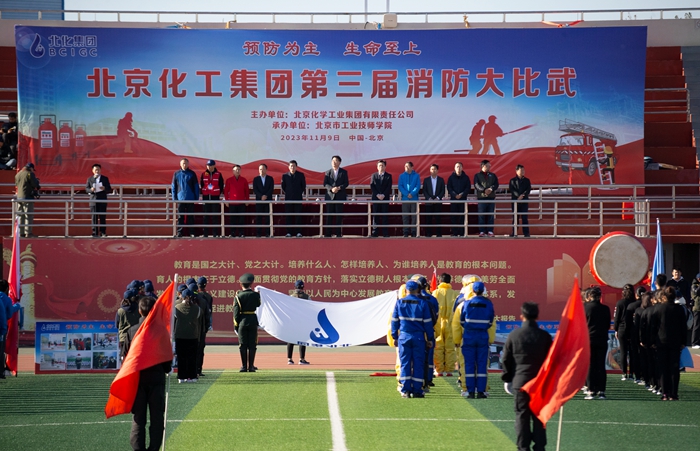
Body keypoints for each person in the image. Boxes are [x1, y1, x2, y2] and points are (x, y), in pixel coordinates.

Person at [501, 302, 553, 451]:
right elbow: (551, 360)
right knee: (539, 417)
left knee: (522, 417)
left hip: (520, 382)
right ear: (537, 316)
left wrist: (507, 378)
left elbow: (506, 360)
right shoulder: (544, 336)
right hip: (539, 383)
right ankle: (539, 447)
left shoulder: (514, 335)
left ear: (522, 316)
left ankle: (523, 447)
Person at [124, 295, 172, 451]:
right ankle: (154, 448)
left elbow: (126, 356)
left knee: (138, 418)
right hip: (156, 379)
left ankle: (138, 448)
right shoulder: (161, 331)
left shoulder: (131, 331)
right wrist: (167, 368)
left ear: (140, 311)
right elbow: (166, 357)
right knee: (157, 417)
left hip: (137, 380)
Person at [391, 280, 434, 398]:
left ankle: (405, 389)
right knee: (418, 364)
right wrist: (430, 338)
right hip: (418, 337)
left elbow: (394, 321)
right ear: (418, 290)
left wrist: (394, 336)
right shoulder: (423, 303)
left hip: (404, 336)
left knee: (405, 363)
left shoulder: (399, 303)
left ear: (406, 290)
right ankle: (417, 390)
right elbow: (428, 323)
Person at [458, 281, 495, 398]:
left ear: (473, 290)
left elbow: (462, 321)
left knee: (469, 364)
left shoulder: (467, 303)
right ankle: (481, 391)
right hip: (482, 336)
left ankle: (470, 391)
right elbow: (490, 321)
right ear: (483, 291)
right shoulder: (488, 303)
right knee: (482, 364)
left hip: (469, 336)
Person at [650, 286, 687, 400]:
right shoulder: (679, 309)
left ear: (664, 296)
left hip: (661, 341)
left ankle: (665, 392)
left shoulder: (658, 308)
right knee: (674, 368)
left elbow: (653, 326)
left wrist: (652, 340)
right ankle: (674, 393)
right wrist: (683, 341)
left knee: (663, 367)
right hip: (675, 341)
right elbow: (683, 327)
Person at [584, 286, 611, 400]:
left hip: (589, 339)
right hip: (602, 339)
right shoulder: (605, 309)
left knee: (590, 365)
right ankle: (601, 391)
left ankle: (591, 390)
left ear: (590, 296)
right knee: (600, 365)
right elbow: (607, 324)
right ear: (600, 297)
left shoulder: (585, 308)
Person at [234, 273, 261, 372]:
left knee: (243, 345)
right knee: (252, 345)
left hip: (242, 321)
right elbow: (258, 304)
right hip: (252, 321)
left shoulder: (238, 296)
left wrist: (236, 325)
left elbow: (236, 312)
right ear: (251, 284)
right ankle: (251, 366)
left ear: (241, 284)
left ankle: (244, 366)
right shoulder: (255, 295)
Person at [432, 273, 457, 376]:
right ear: (450, 281)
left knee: (438, 347)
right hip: (451, 323)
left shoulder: (435, 292)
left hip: (438, 322)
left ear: (440, 281)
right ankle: (449, 370)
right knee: (450, 347)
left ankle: (439, 370)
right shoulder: (455, 293)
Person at [174, 288, 201, 383]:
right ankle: (192, 376)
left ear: (182, 296)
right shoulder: (197, 308)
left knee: (181, 357)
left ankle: (181, 377)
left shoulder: (177, 308)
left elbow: (176, 318)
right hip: (192, 335)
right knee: (192, 357)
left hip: (180, 335)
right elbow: (197, 317)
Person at [171, 158, 199, 238]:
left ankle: (192, 232)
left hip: (190, 198)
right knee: (180, 217)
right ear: (180, 164)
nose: (184, 165)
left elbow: (196, 186)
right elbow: (173, 187)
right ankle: (179, 232)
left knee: (191, 216)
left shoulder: (192, 174)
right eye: (183, 163)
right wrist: (174, 198)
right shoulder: (176, 174)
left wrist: (196, 197)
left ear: (188, 164)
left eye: (186, 163)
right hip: (180, 199)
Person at [323, 155, 349, 237]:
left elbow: (346, 183)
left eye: (336, 161)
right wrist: (331, 188)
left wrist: (339, 188)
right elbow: (325, 183)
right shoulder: (328, 172)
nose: (334, 162)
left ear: (339, 162)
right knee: (329, 216)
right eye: (333, 161)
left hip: (339, 196)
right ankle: (328, 233)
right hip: (330, 197)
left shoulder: (343, 172)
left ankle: (338, 233)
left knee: (339, 216)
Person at [613, 284, 635, 380]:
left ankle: (624, 373)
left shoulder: (620, 303)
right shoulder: (635, 303)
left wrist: (616, 329)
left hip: (622, 328)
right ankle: (632, 373)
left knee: (623, 351)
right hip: (633, 328)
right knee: (633, 352)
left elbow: (617, 318)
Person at [0, 279, 21, 379]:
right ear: (6, 289)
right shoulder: (6, 299)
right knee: (1, 350)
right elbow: (8, 314)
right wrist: (17, 306)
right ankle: (1, 372)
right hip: (1, 329)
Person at [287, 280, 311, 365]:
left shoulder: (291, 297)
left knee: (290, 340)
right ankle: (302, 359)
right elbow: (310, 309)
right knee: (302, 340)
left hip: (293, 321)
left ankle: (289, 359)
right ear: (303, 287)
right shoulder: (307, 297)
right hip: (302, 321)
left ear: (295, 287)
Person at [86, 163, 112, 238]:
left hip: (102, 199)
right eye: (95, 169)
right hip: (93, 199)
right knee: (94, 216)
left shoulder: (105, 178)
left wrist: (104, 188)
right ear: (92, 170)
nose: (97, 171)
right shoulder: (90, 179)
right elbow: (86, 189)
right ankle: (94, 232)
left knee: (102, 216)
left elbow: (109, 189)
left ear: (100, 170)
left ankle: (103, 232)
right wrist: (91, 190)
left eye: (98, 169)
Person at [281, 160, 307, 237]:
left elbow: (303, 186)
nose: (292, 167)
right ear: (289, 167)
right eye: (291, 166)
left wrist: (297, 193)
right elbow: (283, 187)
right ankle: (289, 232)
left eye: (294, 166)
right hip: (288, 199)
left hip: (298, 198)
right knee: (288, 216)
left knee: (298, 216)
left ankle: (298, 232)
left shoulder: (301, 175)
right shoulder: (285, 176)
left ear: (296, 167)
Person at [474, 160, 498, 237]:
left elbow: (496, 184)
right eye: (487, 165)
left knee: (491, 214)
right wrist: (484, 190)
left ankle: (490, 230)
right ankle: (482, 231)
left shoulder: (493, 175)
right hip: (482, 198)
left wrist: (491, 189)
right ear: (483, 166)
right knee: (481, 215)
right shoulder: (477, 175)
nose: (489, 167)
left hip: (491, 197)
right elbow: (476, 185)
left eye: (489, 166)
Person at [15, 162, 40, 238]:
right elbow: (34, 184)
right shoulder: (30, 174)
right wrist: (37, 181)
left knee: (21, 215)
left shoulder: (18, 174)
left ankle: (21, 232)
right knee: (28, 215)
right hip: (27, 197)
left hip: (19, 197)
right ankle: (28, 233)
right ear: (31, 168)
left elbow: (17, 184)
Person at [223, 164, 249, 237]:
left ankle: (241, 233)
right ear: (233, 171)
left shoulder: (244, 180)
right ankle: (232, 232)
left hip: (241, 202)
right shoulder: (229, 180)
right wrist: (226, 200)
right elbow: (226, 191)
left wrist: (247, 200)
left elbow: (247, 191)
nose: (237, 171)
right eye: (236, 170)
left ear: (240, 171)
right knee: (232, 219)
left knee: (241, 219)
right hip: (232, 203)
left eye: (239, 170)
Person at [200, 159, 224, 237]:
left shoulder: (218, 174)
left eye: (211, 165)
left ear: (214, 166)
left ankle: (215, 233)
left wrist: (216, 193)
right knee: (205, 215)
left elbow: (221, 185)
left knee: (215, 215)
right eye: (208, 165)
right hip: (206, 197)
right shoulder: (203, 174)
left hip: (215, 197)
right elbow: (202, 184)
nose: (209, 167)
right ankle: (205, 233)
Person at [195, 276, 213, 377]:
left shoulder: (192, 296)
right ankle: (199, 369)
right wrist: (207, 326)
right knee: (200, 349)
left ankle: (192, 370)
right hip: (202, 327)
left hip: (193, 326)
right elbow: (209, 313)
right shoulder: (208, 297)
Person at [447, 162, 471, 237]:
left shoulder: (466, 177)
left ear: (462, 168)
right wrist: (454, 194)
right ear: (454, 168)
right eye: (457, 167)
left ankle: (461, 232)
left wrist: (462, 194)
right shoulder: (451, 178)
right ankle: (454, 232)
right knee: (453, 216)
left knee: (462, 217)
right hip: (454, 199)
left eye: (460, 166)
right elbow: (449, 187)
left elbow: (468, 188)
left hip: (462, 199)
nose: (458, 168)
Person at [370, 159, 392, 237]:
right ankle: (375, 231)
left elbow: (389, 187)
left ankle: (385, 232)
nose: (381, 167)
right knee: (375, 215)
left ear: (385, 167)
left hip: (384, 198)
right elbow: (372, 186)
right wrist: (377, 195)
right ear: (377, 167)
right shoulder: (374, 175)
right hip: (376, 198)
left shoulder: (388, 176)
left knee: (385, 215)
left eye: (382, 166)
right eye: (379, 166)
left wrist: (383, 195)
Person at [116, 289, 140, 361]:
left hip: (123, 338)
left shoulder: (120, 311)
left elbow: (117, 324)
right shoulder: (138, 309)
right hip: (135, 336)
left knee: (124, 358)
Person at [422, 164, 446, 237]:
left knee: (438, 218)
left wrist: (437, 198)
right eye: (432, 169)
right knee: (428, 219)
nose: (433, 171)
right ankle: (428, 234)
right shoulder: (426, 180)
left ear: (437, 170)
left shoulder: (441, 180)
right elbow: (424, 191)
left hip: (438, 202)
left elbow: (443, 191)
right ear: (430, 170)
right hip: (429, 202)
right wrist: (429, 198)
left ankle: (438, 234)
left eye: (435, 169)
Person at [398, 161, 420, 238]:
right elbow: (400, 186)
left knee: (414, 216)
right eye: (405, 166)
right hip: (405, 199)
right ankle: (406, 231)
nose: (406, 168)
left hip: (414, 199)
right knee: (405, 216)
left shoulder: (416, 175)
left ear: (412, 167)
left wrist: (412, 193)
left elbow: (418, 186)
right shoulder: (401, 176)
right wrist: (407, 194)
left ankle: (414, 231)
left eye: (408, 166)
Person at [508, 164, 531, 237]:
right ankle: (514, 232)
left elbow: (528, 189)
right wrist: (518, 196)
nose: (523, 172)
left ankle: (526, 233)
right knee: (515, 217)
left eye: (524, 170)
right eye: (521, 170)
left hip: (524, 201)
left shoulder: (527, 180)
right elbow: (512, 189)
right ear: (517, 171)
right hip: (515, 201)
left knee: (524, 217)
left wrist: (522, 196)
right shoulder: (512, 180)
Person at [253, 164, 274, 237]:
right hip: (259, 201)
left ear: (266, 170)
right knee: (259, 217)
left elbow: (271, 189)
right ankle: (258, 233)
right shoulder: (256, 179)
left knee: (268, 217)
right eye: (260, 169)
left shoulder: (270, 178)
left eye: (263, 169)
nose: (262, 171)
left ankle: (268, 233)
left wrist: (266, 196)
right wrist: (261, 196)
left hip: (268, 200)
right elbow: (255, 189)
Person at [691, 273, 700, 349]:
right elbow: (696, 292)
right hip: (697, 308)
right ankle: (694, 342)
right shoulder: (694, 285)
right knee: (696, 325)